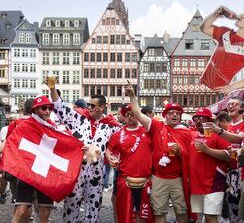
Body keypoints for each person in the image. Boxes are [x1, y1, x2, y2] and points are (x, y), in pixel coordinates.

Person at [49, 83, 120, 222]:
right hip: (76, 172)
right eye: (89, 105)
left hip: (97, 173)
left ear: (101, 107)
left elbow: (120, 145)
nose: (89, 108)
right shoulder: (79, 119)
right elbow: (59, 107)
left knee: (93, 208)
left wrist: (110, 156)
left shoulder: (111, 126)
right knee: (72, 204)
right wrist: (52, 88)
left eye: (93, 106)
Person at [125, 83, 193, 223]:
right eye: (171, 113)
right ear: (165, 116)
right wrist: (132, 96)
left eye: (177, 114)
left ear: (180, 117)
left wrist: (181, 152)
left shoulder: (187, 133)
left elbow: (192, 157)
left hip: (178, 178)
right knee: (159, 211)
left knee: (181, 210)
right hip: (159, 177)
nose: (174, 115)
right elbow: (138, 114)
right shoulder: (156, 126)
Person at [200, 4, 244, 94]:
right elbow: (204, 28)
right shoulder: (225, 33)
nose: (242, 15)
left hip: (218, 93)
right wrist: (217, 14)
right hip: (201, 85)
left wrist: (232, 87)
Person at [11, 96, 56, 223]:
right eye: (44, 108)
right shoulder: (24, 126)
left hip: (45, 174)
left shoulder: (54, 128)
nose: (47, 111)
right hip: (27, 173)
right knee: (21, 209)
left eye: (49, 108)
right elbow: (10, 143)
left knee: (45, 210)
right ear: (35, 110)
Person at [106, 104, 152, 223]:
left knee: (143, 214)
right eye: (128, 114)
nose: (131, 116)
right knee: (125, 213)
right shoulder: (117, 134)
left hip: (145, 181)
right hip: (125, 180)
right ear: (124, 117)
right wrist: (110, 158)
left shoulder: (148, 132)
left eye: (134, 114)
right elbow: (109, 150)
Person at [189, 108, 231, 223]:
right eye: (196, 118)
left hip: (213, 183)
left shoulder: (218, 135)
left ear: (210, 121)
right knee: (201, 216)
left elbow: (229, 155)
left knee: (210, 216)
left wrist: (207, 150)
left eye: (202, 118)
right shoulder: (193, 135)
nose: (198, 121)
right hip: (196, 183)